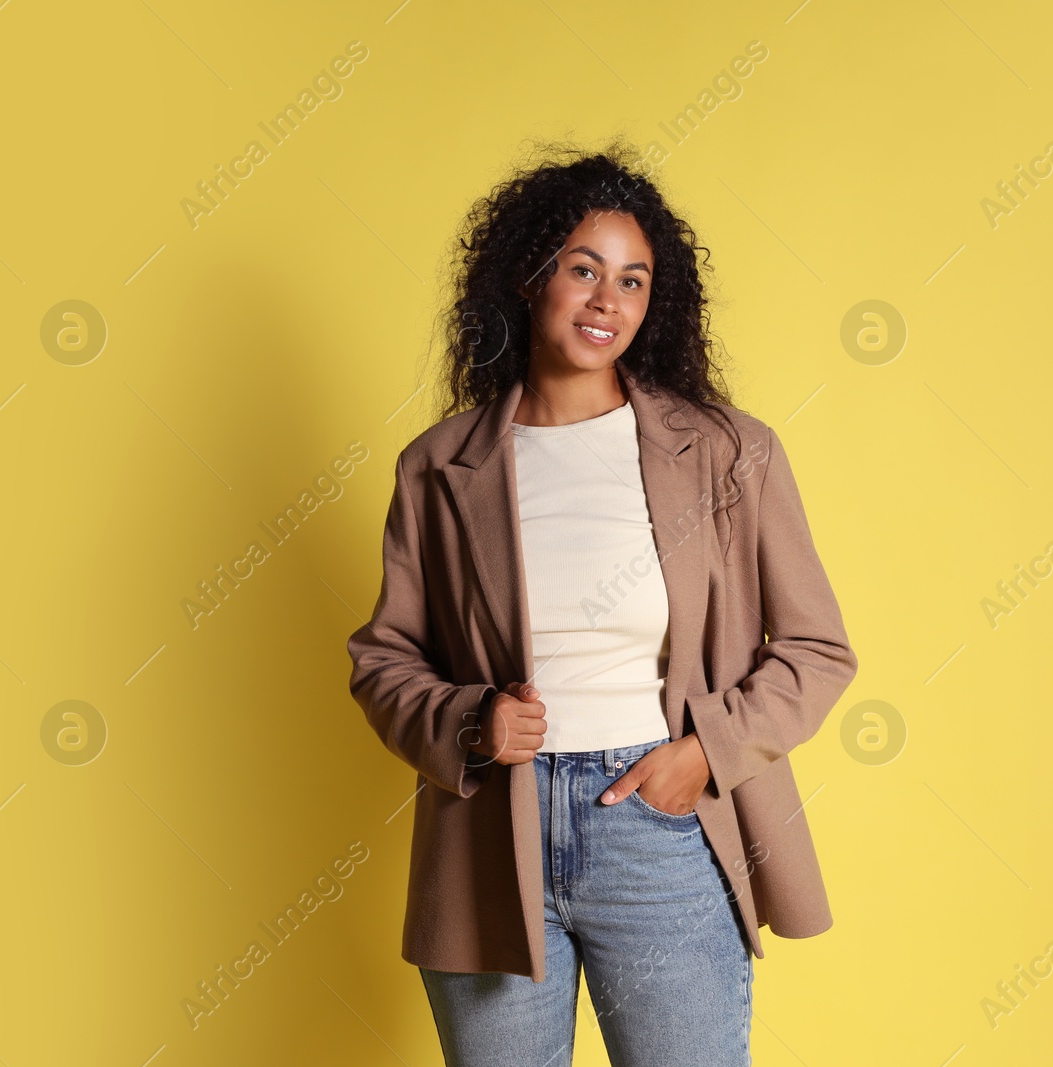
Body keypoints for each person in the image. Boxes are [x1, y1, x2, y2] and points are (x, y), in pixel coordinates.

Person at [346, 141, 857, 1067]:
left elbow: (818, 649)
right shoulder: (439, 465)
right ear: (529, 278)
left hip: (657, 825)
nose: (606, 301)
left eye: (632, 279)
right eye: (583, 269)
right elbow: (383, 659)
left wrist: (705, 754)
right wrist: (470, 720)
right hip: (490, 841)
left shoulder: (730, 453)